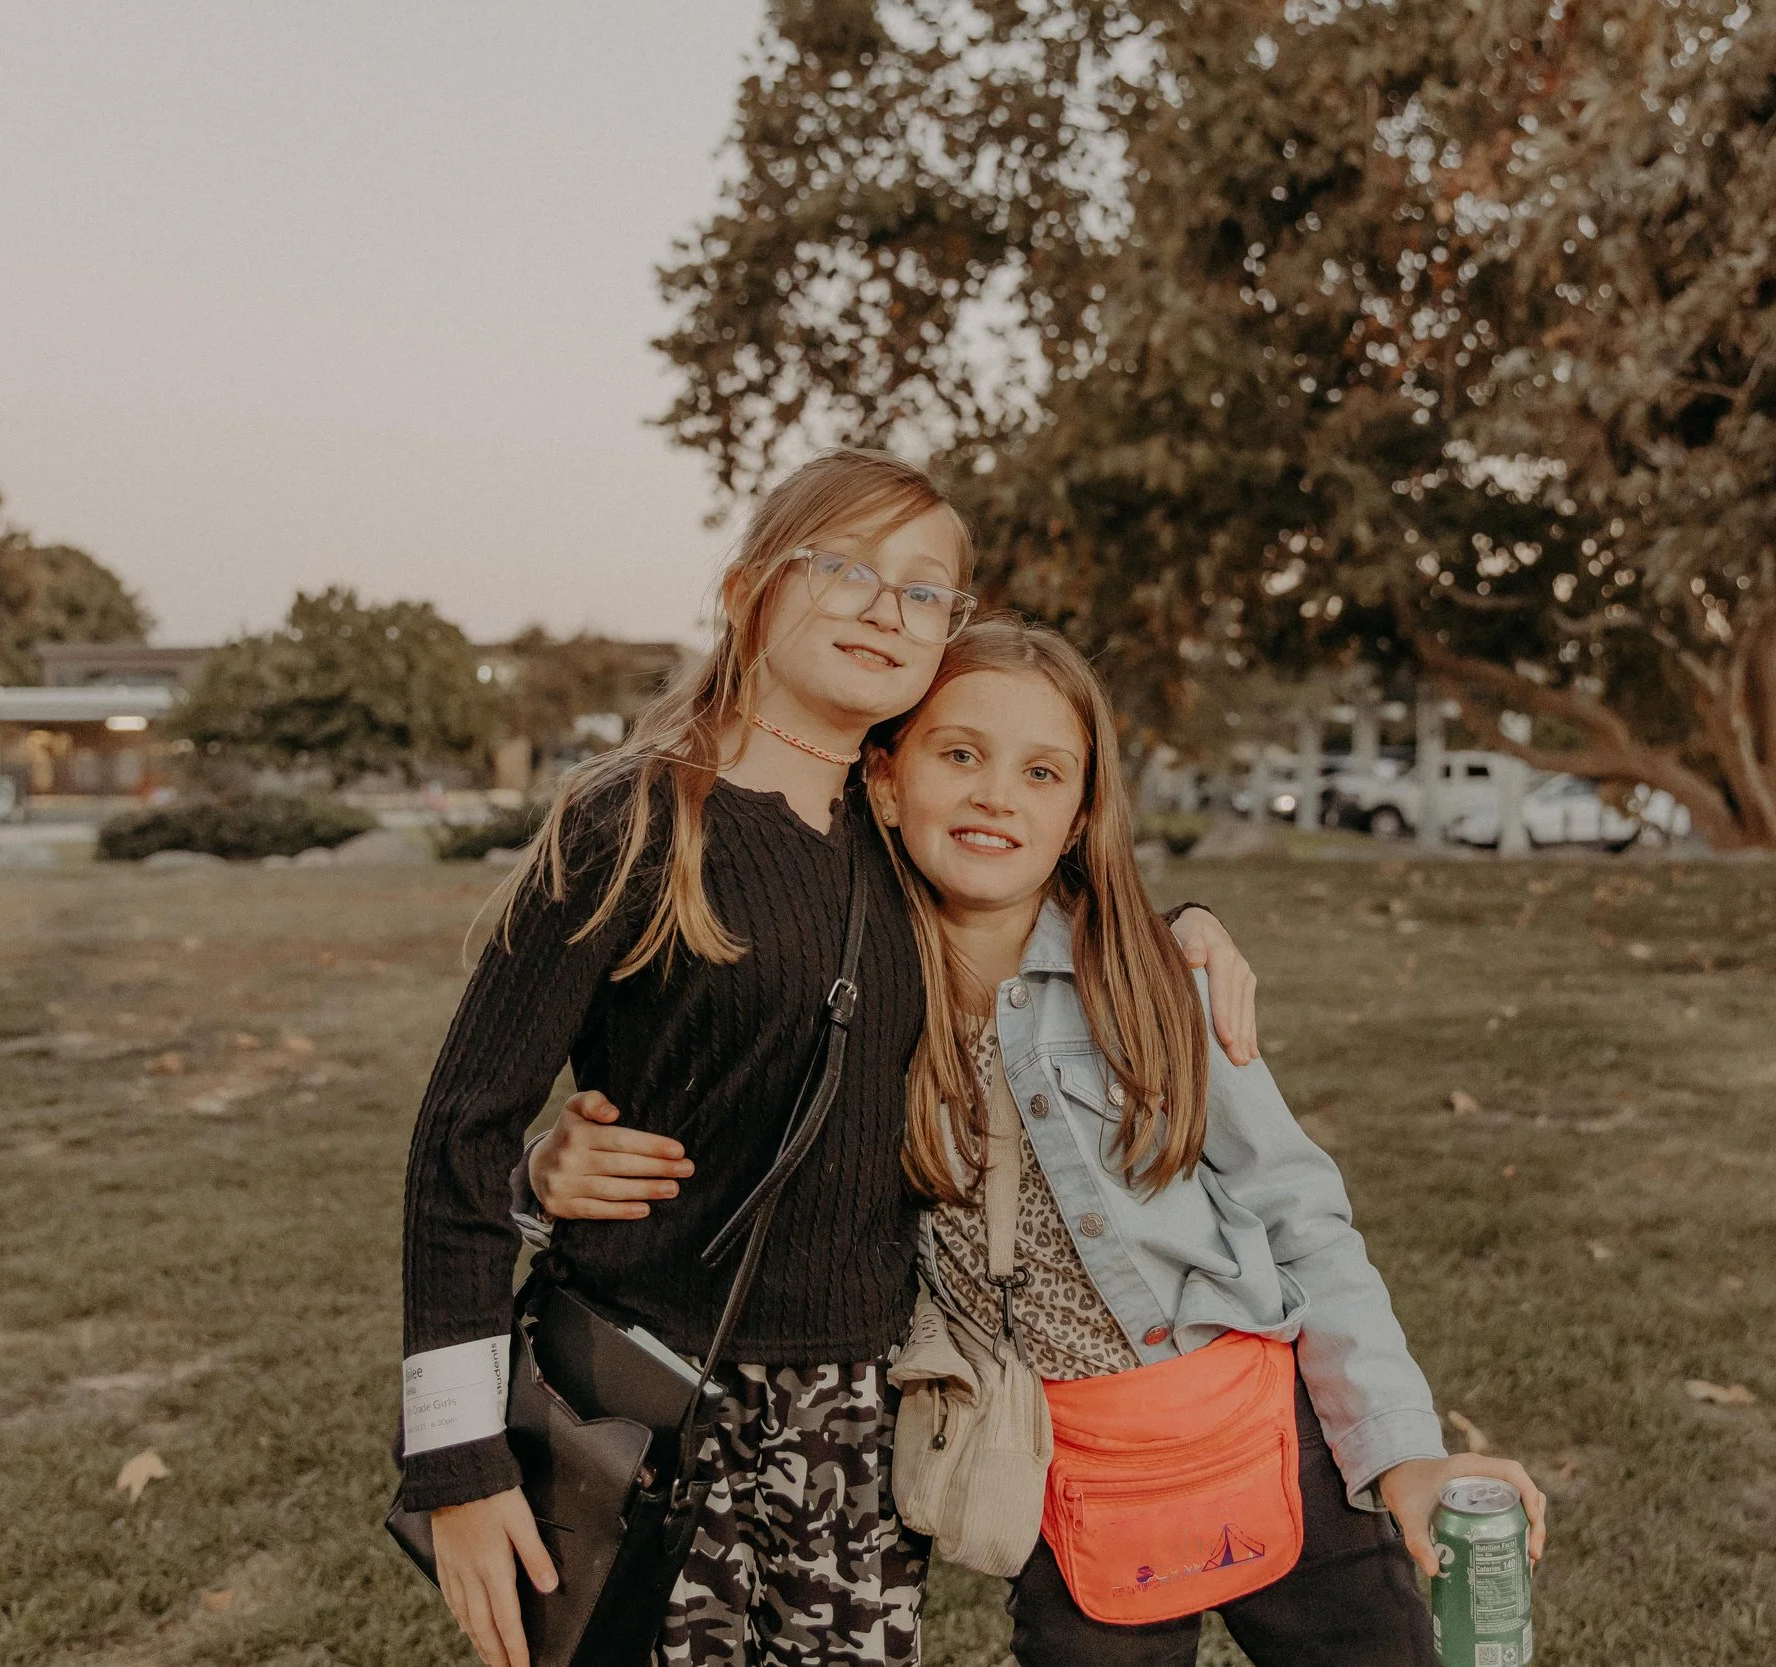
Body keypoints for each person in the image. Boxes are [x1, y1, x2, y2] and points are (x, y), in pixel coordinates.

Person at [536, 619, 1549, 1667]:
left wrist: (1402, 1451)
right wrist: (546, 1166)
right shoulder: (849, 1003)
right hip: (1060, 1481)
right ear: (885, 781)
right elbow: (725, 1144)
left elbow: (1304, 1218)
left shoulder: (1160, 981)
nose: (996, 795)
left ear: (1078, 814)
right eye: (959, 753)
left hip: (1268, 1436)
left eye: (1041, 771)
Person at [397, 449, 1261, 1667]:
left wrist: (1184, 928)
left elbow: (1049, 907)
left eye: (924, 589)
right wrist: (456, 1460)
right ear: (748, 589)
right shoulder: (633, 822)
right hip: (647, 1393)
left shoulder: (906, 832)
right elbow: (459, 1133)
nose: (885, 606)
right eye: (846, 567)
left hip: (857, 1413)